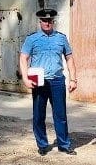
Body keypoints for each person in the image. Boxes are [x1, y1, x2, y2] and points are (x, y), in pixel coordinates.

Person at [19, 8, 78, 156]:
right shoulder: (32, 39)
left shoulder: (61, 38)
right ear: (40, 22)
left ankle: (64, 144)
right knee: (39, 114)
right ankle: (43, 145)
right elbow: (23, 58)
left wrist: (73, 79)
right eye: (44, 20)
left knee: (60, 114)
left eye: (50, 20)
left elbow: (69, 58)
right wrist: (25, 78)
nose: (47, 23)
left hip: (57, 80)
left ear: (53, 21)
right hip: (38, 80)